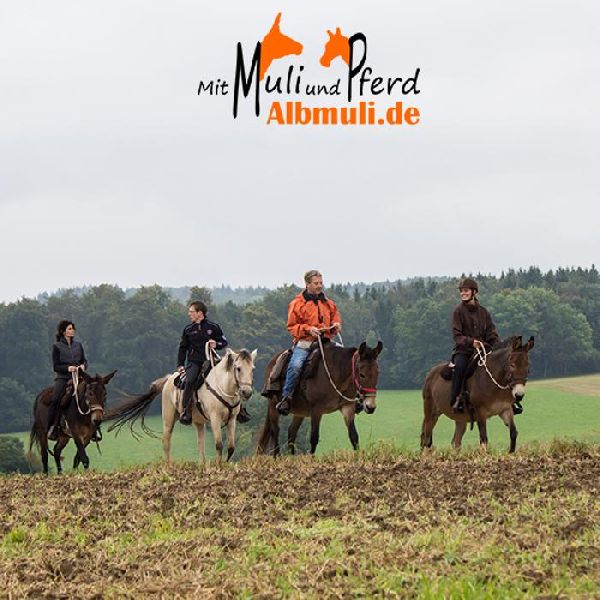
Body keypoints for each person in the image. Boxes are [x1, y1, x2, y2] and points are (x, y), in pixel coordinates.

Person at [276, 270, 342, 415]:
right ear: (307, 284)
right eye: (316, 283)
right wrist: (308, 329)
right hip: (305, 342)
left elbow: (335, 318)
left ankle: (351, 397)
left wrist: (336, 325)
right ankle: (286, 397)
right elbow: (291, 326)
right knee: (296, 365)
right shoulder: (296, 303)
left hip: (325, 341)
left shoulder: (329, 303)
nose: (320, 286)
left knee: (346, 358)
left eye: (321, 283)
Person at [450, 277, 505, 413]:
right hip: (464, 351)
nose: (463, 293)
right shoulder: (458, 311)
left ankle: (508, 399)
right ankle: (457, 399)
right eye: (461, 291)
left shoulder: (484, 312)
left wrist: (498, 347)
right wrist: (471, 342)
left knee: (502, 365)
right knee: (460, 367)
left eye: (466, 291)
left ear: (474, 292)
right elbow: (457, 335)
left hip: (483, 350)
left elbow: (491, 333)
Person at [177, 300, 229, 425]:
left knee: (230, 376)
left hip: (211, 360)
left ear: (200, 313)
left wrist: (216, 344)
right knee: (190, 381)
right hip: (194, 362)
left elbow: (224, 342)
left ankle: (239, 409)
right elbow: (182, 348)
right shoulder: (188, 329)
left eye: (191, 312)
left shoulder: (213, 327)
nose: (189, 314)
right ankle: (186, 411)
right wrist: (180, 364)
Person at [47, 320, 88, 441]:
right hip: (63, 378)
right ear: (63, 331)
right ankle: (52, 427)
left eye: (73, 328)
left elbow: (84, 360)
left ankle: (95, 428)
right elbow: (56, 366)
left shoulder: (78, 345)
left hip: (79, 376)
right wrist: (68, 368)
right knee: (56, 399)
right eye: (70, 329)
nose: (72, 330)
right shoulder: (57, 347)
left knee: (94, 391)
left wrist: (83, 366)